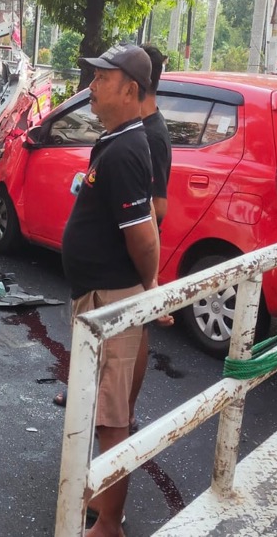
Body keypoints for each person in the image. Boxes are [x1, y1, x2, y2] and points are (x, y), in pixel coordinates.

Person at [62, 44, 160, 537]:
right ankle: (100, 501)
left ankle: (111, 523)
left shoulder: (125, 148)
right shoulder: (116, 139)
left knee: (111, 414)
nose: (93, 87)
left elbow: (143, 235)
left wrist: (151, 287)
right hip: (97, 295)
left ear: (130, 89)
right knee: (100, 407)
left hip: (112, 300)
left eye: (104, 79)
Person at [127, 44, 175, 431]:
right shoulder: (132, 128)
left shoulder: (153, 135)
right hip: (117, 248)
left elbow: (158, 206)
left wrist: (126, 219)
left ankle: (124, 410)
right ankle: (88, 396)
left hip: (132, 250)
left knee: (135, 327)